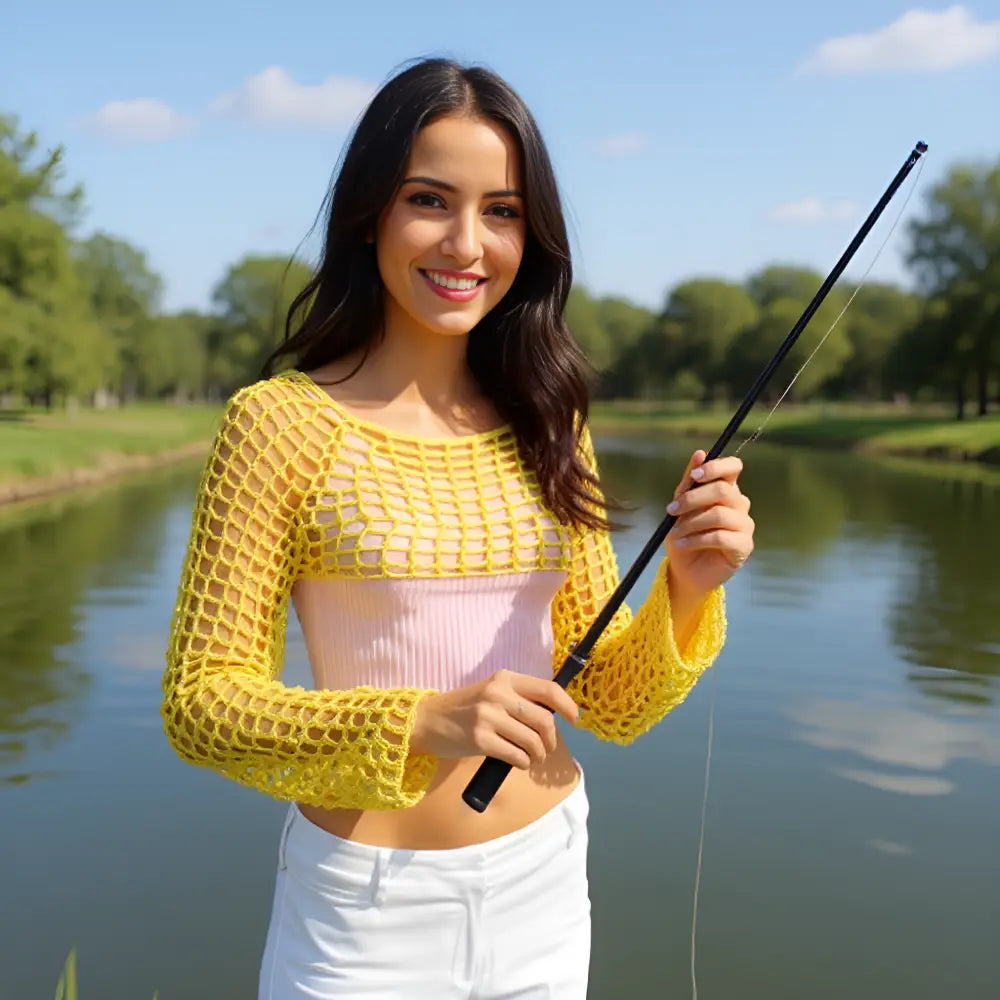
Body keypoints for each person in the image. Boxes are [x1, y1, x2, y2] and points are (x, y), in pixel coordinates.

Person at [161, 57, 755, 1000]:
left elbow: (606, 701)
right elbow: (202, 707)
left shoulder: (551, 419)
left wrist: (690, 585)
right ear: (371, 214)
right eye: (430, 200)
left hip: (546, 880)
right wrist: (427, 718)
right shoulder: (277, 424)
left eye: (504, 211)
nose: (467, 243)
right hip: (361, 916)